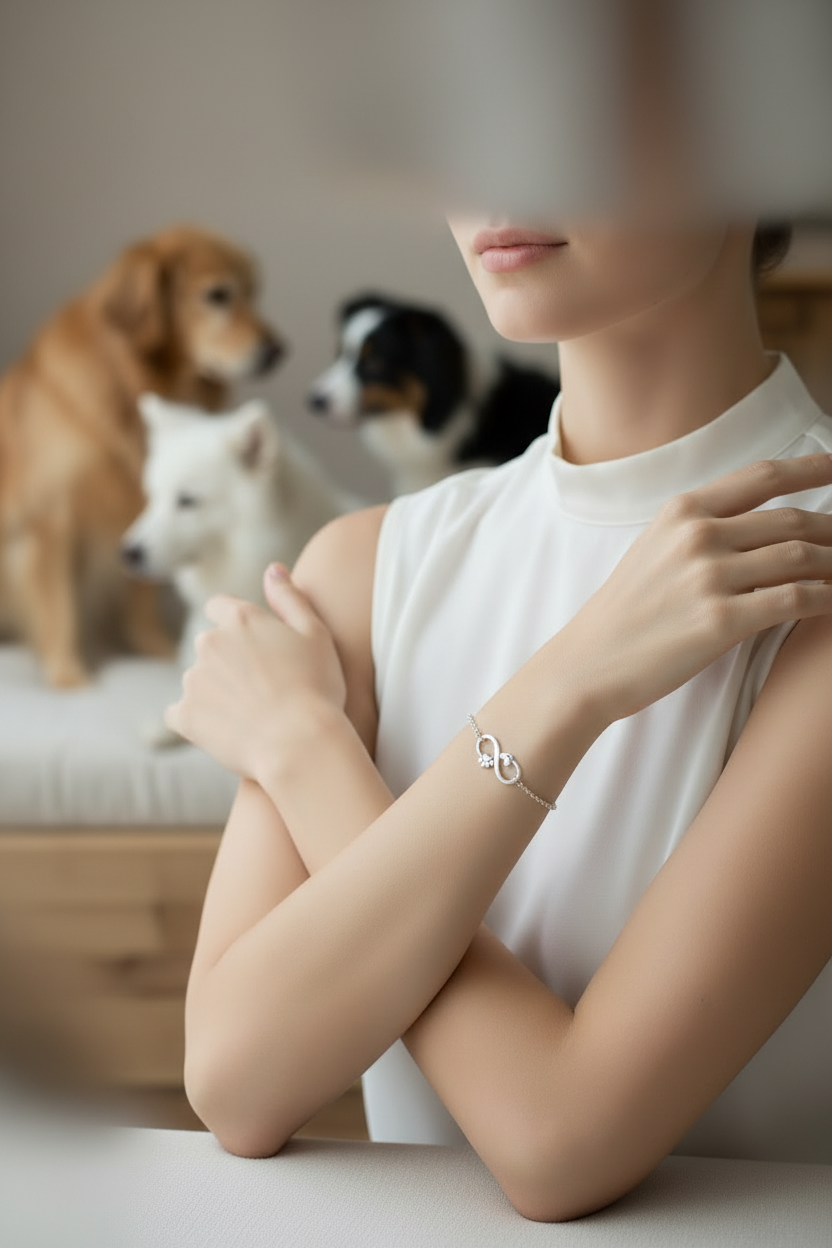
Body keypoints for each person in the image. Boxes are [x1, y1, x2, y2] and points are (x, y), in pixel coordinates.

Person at [168, 216, 832, 1222]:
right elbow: (235, 1083)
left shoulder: (814, 578)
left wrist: (311, 753)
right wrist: (566, 677)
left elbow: (559, 1143)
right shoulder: (363, 568)